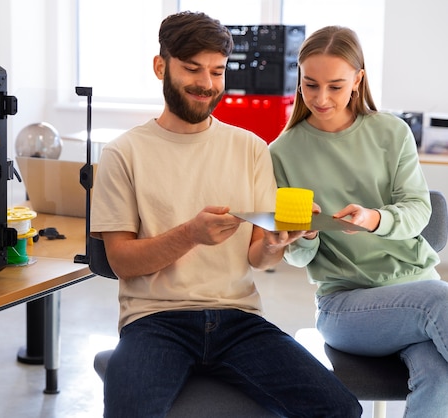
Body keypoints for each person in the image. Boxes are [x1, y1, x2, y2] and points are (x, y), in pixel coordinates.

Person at [90, 12, 361, 418]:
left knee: (340, 409)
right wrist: (190, 235)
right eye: (193, 69)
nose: (207, 84)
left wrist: (275, 242)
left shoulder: (250, 148)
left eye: (217, 71)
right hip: (155, 321)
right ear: (160, 66)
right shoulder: (122, 153)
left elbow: (259, 257)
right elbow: (121, 262)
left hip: (239, 321)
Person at [269, 25, 448, 417]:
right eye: (310, 85)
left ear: (358, 80)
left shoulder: (391, 132)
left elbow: (419, 210)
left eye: (335, 86)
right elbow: (297, 259)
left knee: (440, 378)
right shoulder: (281, 152)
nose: (321, 98)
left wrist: (375, 219)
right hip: (346, 308)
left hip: (417, 289)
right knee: (441, 300)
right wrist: (304, 236)